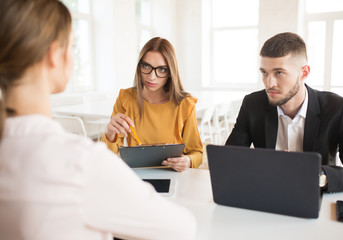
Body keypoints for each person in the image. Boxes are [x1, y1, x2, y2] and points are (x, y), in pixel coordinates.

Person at [0, 1, 197, 240]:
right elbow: (181, 228)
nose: (152, 75)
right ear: (54, 55)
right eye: (72, 46)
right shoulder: (81, 162)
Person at [226, 32, 343, 193]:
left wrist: (315, 176)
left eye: (279, 73)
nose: (269, 83)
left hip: (317, 199)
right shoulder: (252, 104)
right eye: (264, 72)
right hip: (266, 194)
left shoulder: (339, 109)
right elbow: (229, 160)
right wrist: (265, 165)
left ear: (304, 73)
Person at [101, 37, 203, 172]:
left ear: (170, 72)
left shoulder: (185, 104)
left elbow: (197, 153)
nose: (151, 77)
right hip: (136, 175)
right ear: (139, 66)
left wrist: (188, 161)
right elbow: (107, 157)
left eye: (161, 69)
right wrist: (109, 133)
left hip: (172, 175)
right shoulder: (125, 98)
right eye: (146, 66)